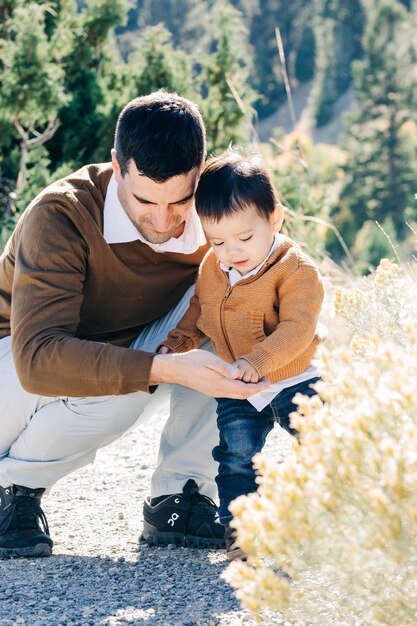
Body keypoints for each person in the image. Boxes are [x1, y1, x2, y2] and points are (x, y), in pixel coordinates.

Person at [0, 92, 268, 558]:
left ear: (199, 173)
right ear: (117, 167)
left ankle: (179, 496)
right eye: (145, 200)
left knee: (236, 292)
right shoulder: (61, 215)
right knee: (117, 392)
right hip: (15, 370)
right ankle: (12, 490)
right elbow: (38, 360)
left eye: (179, 201)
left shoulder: (215, 216)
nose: (163, 220)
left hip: (113, 358)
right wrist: (164, 369)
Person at [159, 150, 326, 561]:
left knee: (321, 446)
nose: (232, 251)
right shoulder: (213, 268)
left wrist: (258, 361)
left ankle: (337, 522)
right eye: (217, 241)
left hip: (294, 380)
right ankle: (242, 532)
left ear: (274, 219)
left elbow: (297, 329)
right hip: (238, 387)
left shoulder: (296, 271)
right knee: (235, 459)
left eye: (245, 238)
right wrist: (177, 344)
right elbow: (199, 311)